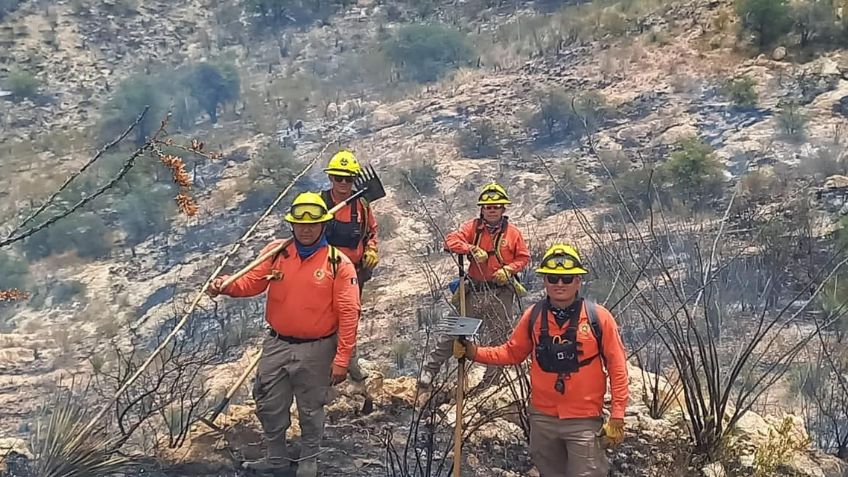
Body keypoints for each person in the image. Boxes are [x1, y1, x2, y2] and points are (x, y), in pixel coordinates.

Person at [207, 192, 361, 477]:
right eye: (299, 224)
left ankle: (309, 460)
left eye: (313, 224)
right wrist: (225, 285)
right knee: (268, 402)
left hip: (317, 349)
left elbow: (349, 313)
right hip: (277, 344)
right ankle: (276, 458)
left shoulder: (338, 263)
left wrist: (343, 358)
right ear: (291, 224)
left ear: (323, 225)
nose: (305, 229)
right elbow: (251, 283)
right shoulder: (277, 252)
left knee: (311, 407)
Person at [457, 243, 629, 477]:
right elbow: (512, 352)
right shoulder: (534, 316)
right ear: (545, 281)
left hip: (584, 420)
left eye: (566, 279)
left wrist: (617, 416)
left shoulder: (598, 318)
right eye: (553, 278)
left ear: (578, 281)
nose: (560, 284)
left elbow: (618, 366)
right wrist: (473, 352)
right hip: (542, 419)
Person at [419, 182, 530, 388]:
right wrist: (470, 248)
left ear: (503, 209)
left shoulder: (513, 233)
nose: (492, 210)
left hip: (501, 292)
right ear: (482, 209)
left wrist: (509, 270)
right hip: (475, 289)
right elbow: (450, 241)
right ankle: (430, 370)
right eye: (488, 207)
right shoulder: (472, 228)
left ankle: (491, 382)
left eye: (496, 207)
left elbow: (523, 257)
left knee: (499, 337)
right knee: (455, 331)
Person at [321, 149, 379, 390]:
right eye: (338, 178)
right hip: (324, 274)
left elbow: (372, 232)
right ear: (331, 179)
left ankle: (349, 363)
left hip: (354, 274)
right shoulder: (320, 204)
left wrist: (372, 250)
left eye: (348, 179)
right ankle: (325, 366)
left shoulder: (362, 205)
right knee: (324, 319)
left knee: (349, 317)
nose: (343, 183)